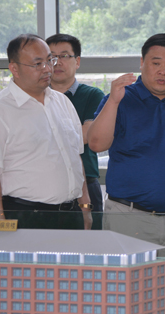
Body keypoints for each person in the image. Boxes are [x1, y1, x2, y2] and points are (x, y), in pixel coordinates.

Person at [88, 33, 165, 272]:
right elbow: (96, 144)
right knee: (125, 288)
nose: (163, 71)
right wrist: (113, 101)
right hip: (128, 217)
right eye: (156, 63)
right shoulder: (120, 99)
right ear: (142, 63)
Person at [0, 34, 92, 230]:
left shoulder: (62, 102)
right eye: (38, 64)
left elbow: (75, 157)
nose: (48, 68)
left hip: (71, 212)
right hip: (25, 215)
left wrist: (85, 206)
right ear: (14, 69)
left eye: (49, 60)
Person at [47, 34, 105, 230]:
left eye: (64, 56)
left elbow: (87, 135)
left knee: (90, 243)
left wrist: (44, 138)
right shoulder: (37, 96)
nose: (57, 62)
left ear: (77, 61)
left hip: (87, 181)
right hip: (45, 182)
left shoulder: (92, 95)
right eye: (51, 57)